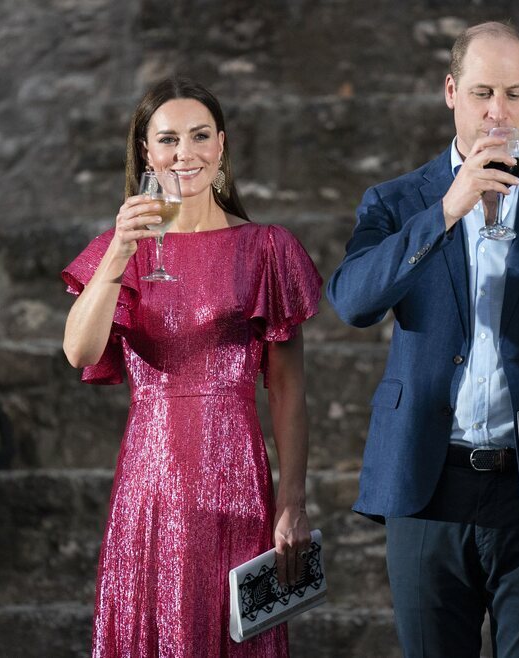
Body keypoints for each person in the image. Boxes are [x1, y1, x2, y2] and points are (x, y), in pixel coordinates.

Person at [327, 21, 519, 658]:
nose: (499, 112)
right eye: (482, 94)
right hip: (427, 484)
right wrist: (449, 206)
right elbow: (352, 301)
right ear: (450, 91)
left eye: (515, 94)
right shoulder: (396, 201)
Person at [62, 77, 322, 657]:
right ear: (146, 154)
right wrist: (116, 258)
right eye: (169, 140)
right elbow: (79, 352)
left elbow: (287, 391)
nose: (186, 154)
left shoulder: (267, 248)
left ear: (222, 146)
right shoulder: (120, 247)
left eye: (200, 136)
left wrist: (293, 502)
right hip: (149, 488)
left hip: (238, 486)